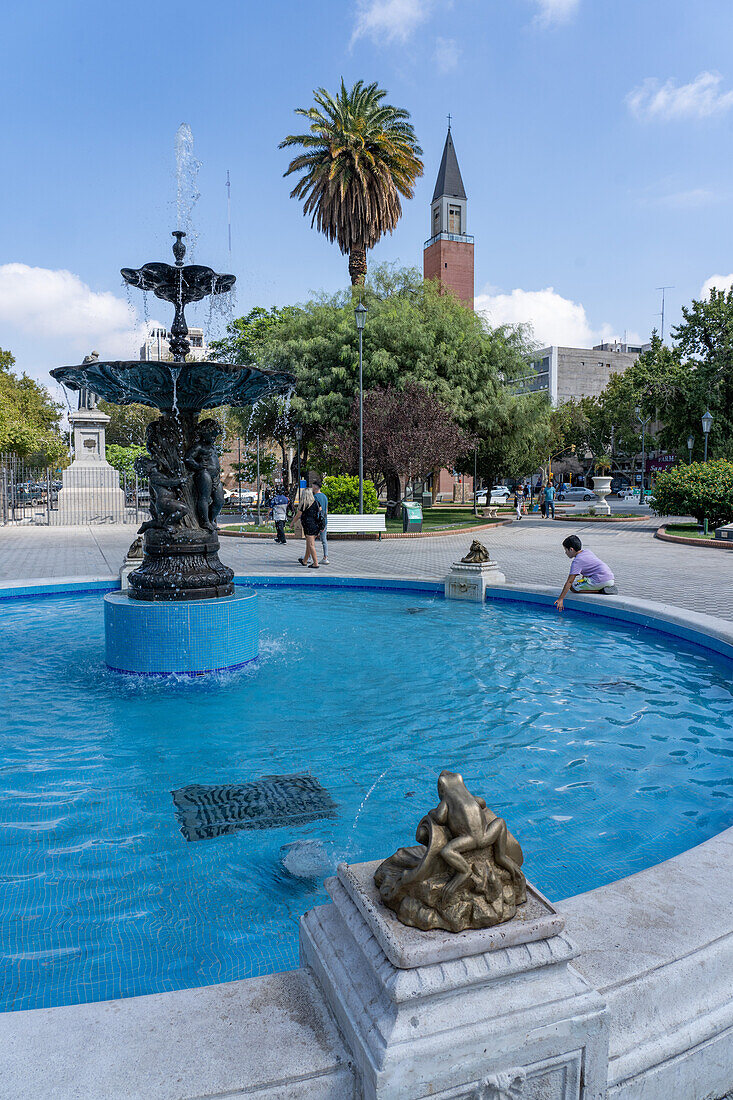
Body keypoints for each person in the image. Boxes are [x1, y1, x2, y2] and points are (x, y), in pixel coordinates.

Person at [554, 535, 617, 611]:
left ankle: (601, 591)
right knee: (581, 581)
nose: (565, 553)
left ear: (571, 549)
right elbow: (590, 568)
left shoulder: (577, 561)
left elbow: (569, 582)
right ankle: (604, 588)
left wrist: (561, 599)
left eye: (566, 550)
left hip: (600, 580)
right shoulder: (587, 552)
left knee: (573, 587)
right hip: (610, 579)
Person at [294, 487, 323, 568]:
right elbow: (321, 513)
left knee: (311, 545)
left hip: (308, 526)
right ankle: (305, 561)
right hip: (316, 525)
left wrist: (292, 523)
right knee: (308, 544)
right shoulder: (317, 503)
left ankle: (315, 563)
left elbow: (298, 515)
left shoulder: (304, 504)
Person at [312, 478, 329, 564]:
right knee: (324, 540)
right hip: (323, 521)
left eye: (313, 486)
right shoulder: (325, 497)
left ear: (315, 487)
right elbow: (326, 510)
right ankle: (325, 557)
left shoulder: (314, 497)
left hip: (315, 521)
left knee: (311, 540)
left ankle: (308, 557)